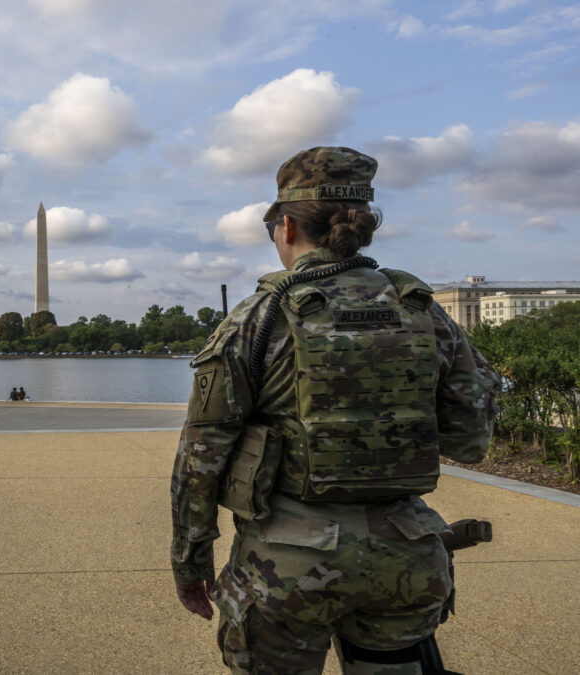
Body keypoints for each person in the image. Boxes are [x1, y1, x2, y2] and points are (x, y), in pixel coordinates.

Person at [170, 147, 499, 674]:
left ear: (286, 227)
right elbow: (471, 441)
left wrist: (189, 562)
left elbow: (201, 455)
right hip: (408, 560)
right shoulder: (422, 309)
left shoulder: (260, 315)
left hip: (287, 568)